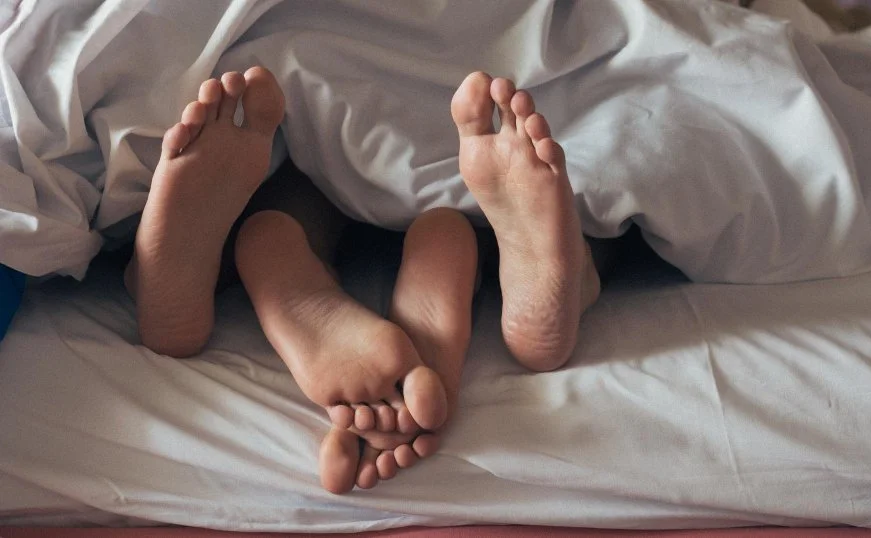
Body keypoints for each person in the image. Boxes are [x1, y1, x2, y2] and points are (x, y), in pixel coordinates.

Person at [125, 67, 601, 493]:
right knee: (599, 216)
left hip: (335, 100)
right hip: (436, 108)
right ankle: (566, 271)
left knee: (304, 179)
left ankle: (266, 242)